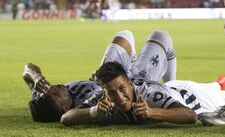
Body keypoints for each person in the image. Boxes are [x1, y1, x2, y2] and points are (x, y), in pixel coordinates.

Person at [24, 29, 177, 123]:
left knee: (124, 35)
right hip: (135, 83)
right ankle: (173, 85)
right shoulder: (85, 108)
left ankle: (130, 65)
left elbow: (28, 70)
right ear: (65, 107)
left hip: (108, 73)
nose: (55, 87)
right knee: (161, 36)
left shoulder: (43, 101)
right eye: (56, 93)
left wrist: (36, 76)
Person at [61, 61, 225, 126]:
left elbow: (190, 116)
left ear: (129, 84)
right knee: (212, 85)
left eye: (122, 89)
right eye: (112, 93)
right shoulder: (104, 97)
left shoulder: (151, 96)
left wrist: (153, 113)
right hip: (176, 87)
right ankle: (217, 82)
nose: (118, 97)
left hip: (199, 101)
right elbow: (66, 118)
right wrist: (92, 112)